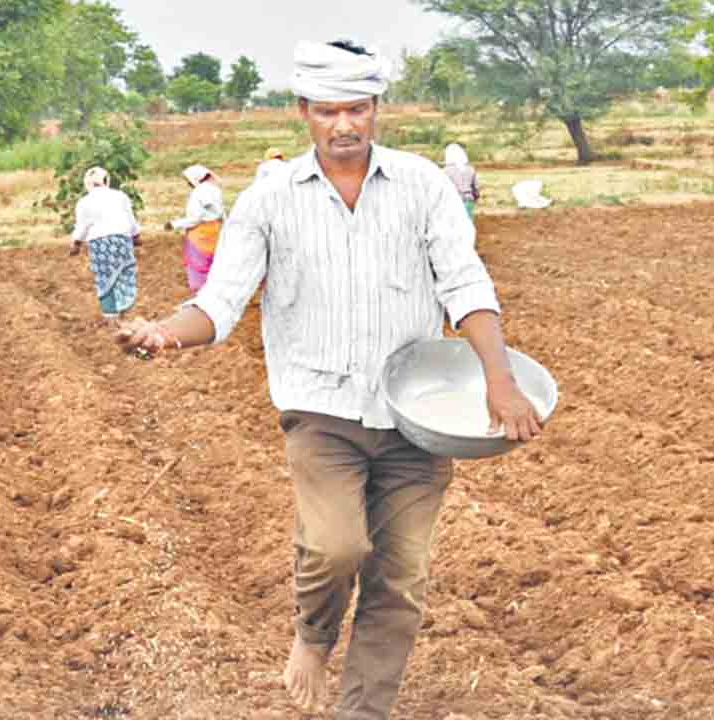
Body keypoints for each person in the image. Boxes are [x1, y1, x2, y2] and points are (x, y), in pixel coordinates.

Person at [116, 38, 542, 720]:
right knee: (337, 544)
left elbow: (465, 284)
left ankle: (361, 711)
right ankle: (312, 637)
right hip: (320, 412)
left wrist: (501, 378)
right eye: (327, 111)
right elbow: (220, 301)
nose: (344, 125)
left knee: (399, 578)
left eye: (358, 109)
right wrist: (165, 332)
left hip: (416, 416)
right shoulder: (269, 199)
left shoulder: (423, 186)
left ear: (377, 109)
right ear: (303, 112)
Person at [69, 167, 142, 320]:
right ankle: (125, 309)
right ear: (106, 181)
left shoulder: (84, 202)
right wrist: (136, 236)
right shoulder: (120, 196)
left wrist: (76, 243)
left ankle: (111, 316)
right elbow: (130, 218)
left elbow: (82, 226)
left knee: (105, 277)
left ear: (87, 184)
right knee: (125, 272)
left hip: (100, 243)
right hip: (122, 240)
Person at [167, 164, 224, 292]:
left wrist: (174, 224)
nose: (188, 183)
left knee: (200, 266)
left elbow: (195, 218)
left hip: (200, 234)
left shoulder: (198, 192)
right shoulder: (216, 190)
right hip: (216, 231)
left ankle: (202, 297)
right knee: (215, 264)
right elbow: (221, 213)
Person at [443, 142, 480, 219]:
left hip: (452, 201)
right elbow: (476, 187)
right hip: (468, 200)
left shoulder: (445, 171)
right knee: (468, 224)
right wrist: (475, 197)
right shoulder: (470, 169)